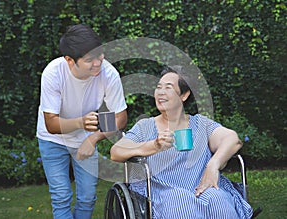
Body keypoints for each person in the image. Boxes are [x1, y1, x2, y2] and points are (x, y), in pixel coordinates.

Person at [110, 65, 253, 219]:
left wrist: (213, 165)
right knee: (181, 202)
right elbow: (116, 151)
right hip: (163, 192)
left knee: (218, 200)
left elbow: (233, 139)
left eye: (168, 87)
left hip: (201, 186)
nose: (161, 92)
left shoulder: (200, 124)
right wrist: (153, 145)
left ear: (184, 95)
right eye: (159, 87)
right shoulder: (145, 126)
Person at [36, 24, 127, 219]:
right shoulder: (53, 73)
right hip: (52, 140)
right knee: (61, 197)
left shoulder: (108, 74)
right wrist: (80, 123)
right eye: (89, 60)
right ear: (70, 60)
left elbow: (120, 117)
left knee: (87, 198)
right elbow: (51, 124)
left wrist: (93, 138)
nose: (97, 63)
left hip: (86, 138)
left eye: (99, 55)